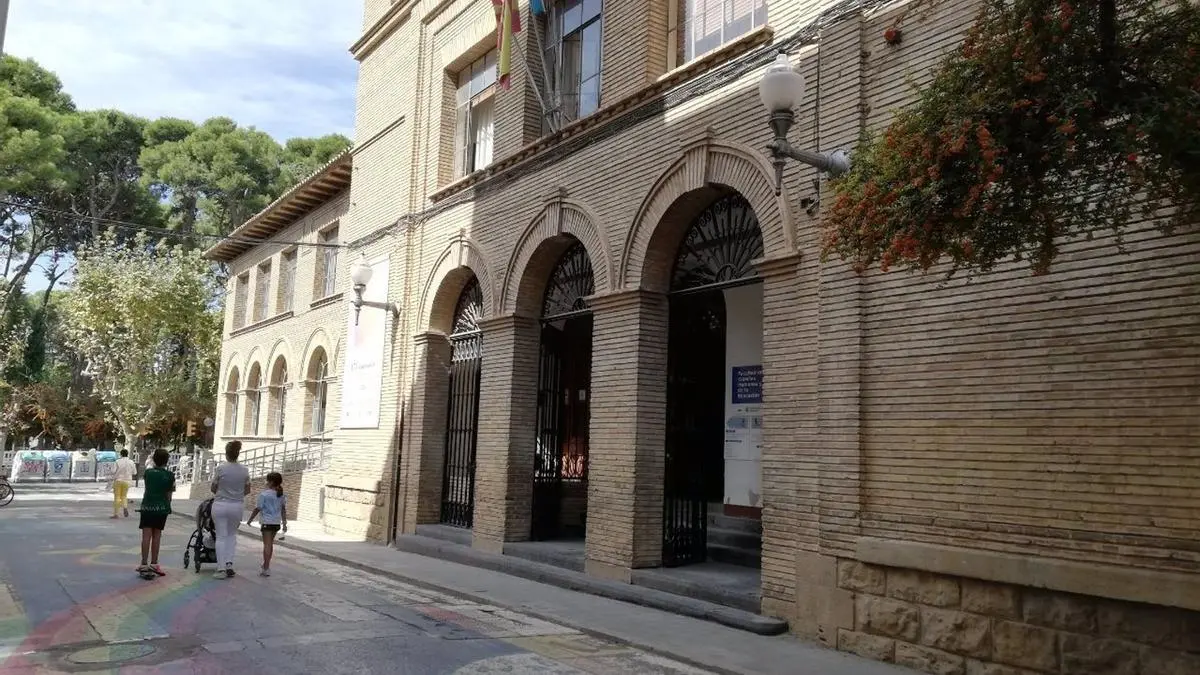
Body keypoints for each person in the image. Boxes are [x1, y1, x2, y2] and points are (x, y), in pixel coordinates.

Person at [210, 440, 250, 579]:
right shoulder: (244, 470)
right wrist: (237, 495)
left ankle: (220, 569)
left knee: (221, 536)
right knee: (232, 535)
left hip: (220, 504)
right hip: (237, 506)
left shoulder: (221, 469)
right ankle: (229, 564)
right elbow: (247, 489)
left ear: (226, 454)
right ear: (238, 454)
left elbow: (213, 488)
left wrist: (222, 493)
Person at [136, 449, 175, 577]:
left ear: (154, 459)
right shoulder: (170, 475)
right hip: (161, 508)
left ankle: (143, 564)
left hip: (147, 507)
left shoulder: (148, 473)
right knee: (157, 535)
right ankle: (154, 563)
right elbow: (169, 494)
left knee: (146, 536)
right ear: (167, 461)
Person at [245, 472, 288, 577]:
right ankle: (266, 564)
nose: (265, 482)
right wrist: (284, 523)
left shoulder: (264, 494)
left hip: (267, 522)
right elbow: (283, 510)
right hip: (276, 523)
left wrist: (250, 519)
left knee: (267, 545)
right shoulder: (281, 495)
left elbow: (258, 508)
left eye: (267, 480)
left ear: (271, 482)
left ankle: (266, 568)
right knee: (270, 544)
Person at [110, 449, 137, 519]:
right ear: (127, 454)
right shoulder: (131, 462)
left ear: (121, 454)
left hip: (118, 480)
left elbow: (113, 471)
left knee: (117, 497)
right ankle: (125, 507)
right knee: (124, 496)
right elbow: (135, 472)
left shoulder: (117, 461)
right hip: (127, 482)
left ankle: (116, 514)